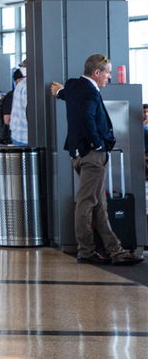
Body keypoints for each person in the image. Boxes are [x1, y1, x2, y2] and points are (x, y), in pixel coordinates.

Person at [51, 54, 142, 265]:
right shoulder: (91, 93)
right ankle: (86, 250)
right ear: (97, 72)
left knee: (99, 204)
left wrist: (58, 92)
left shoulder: (73, 86)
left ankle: (115, 250)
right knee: (87, 203)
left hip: (78, 153)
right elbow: (88, 118)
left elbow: (65, 94)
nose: (109, 77)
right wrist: (99, 144)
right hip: (93, 156)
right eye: (108, 73)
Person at [6, 67, 28, 146]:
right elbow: (30, 112)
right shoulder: (28, 86)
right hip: (26, 136)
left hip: (17, 134)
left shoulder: (19, 86)